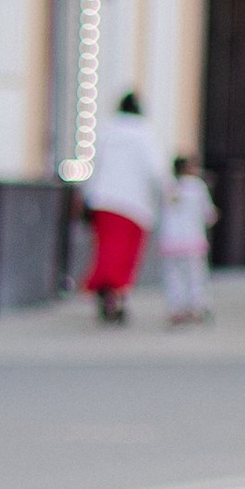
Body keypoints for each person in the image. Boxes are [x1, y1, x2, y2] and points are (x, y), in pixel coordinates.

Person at [81, 90, 171, 325]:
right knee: (125, 254)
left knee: (105, 249)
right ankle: (117, 293)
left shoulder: (105, 131)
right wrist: (168, 192)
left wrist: (87, 196)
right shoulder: (145, 134)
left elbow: (93, 165)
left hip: (104, 200)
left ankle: (105, 289)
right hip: (134, 204)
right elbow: (156, 171)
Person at [158, 154, 217, 324]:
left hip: (170, 242)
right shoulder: (197, 187)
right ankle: (196, 307)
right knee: (195, 276)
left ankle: (175, 309)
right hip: (192, 241)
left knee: (173, 277)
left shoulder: (168, 187)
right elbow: (209, 214)